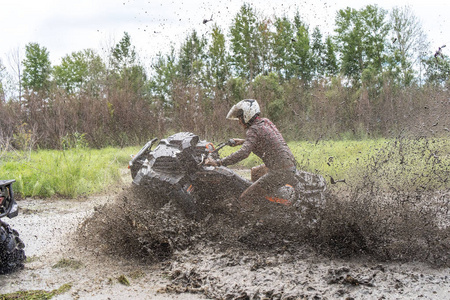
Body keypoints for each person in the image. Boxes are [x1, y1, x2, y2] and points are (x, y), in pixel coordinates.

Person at [205, 99, 299, 209]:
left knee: (245, 197)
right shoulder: (265, 122)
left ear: (246, 115)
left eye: (240, 118)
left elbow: (243, 153)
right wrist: (243, 141)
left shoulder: (253, 130)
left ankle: (260, 215)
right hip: (288, 165)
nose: (239, 122)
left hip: (279, 171)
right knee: (255, 172)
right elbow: (266, 140)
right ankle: (261, 199)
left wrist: (218, 162)